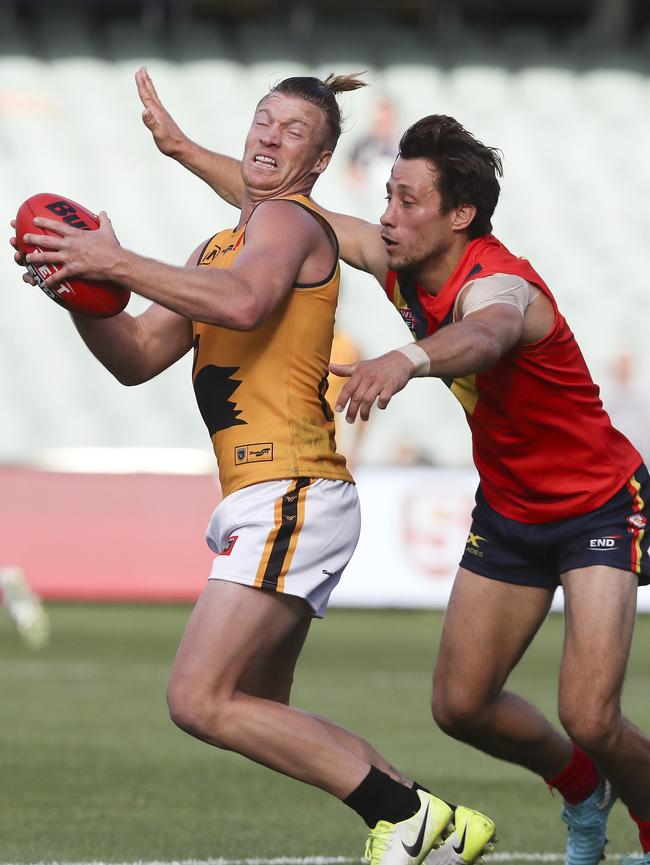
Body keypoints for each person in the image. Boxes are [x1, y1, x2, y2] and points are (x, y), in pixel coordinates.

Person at [146, 91, 650, 865]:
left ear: (460, 216)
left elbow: (488, 333)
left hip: (600, 504)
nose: (386, 214)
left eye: (406, 199)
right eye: (386, 194)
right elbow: (294, 210)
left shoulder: (500, 283)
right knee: (461, 706)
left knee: (589, 710)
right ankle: (583, 787)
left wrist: (407, 357)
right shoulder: (400, 258)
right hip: (512, 508)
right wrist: (183, 150)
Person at [11, 71, 496, 865]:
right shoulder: (219, 245)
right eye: (263, 120)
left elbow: (240, 304)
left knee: (197, 698)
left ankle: (406, 815)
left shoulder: (292, 223)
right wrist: (81, 290)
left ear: (319, 158)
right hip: (271, 497)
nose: (270, 136)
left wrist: (117, 257)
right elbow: (135, 356)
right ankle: (438, 834)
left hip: (292, 490)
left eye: (293, 130)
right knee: (259, 708)